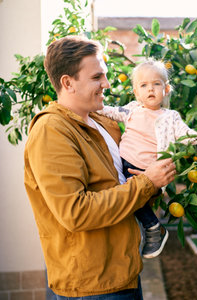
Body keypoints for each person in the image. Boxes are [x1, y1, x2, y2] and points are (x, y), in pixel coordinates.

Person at [24, 36, 176, 299]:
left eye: (104, 76)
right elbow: (76, 212)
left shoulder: (102, 122)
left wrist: (152, 181)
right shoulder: (52, 131)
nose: (106, 84)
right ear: (67, 82)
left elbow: (123, 184)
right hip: (91, 286)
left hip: (123, 272)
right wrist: (147, 183)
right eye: (97, 78)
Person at [98, 59, 197, 259]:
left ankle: (153, 227)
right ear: (136, 92)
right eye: (144, 85)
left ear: (166, 89)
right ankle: (147, 231)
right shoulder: (132, 110)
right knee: (121, 197)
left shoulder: (170, 117)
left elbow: (188, 136)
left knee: (132, 195)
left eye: (156, 84)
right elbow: (109, 111)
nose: (150, 89)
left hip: (148, 172)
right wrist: (88, 106)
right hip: (124, 165)